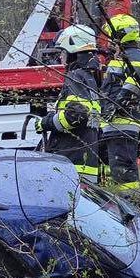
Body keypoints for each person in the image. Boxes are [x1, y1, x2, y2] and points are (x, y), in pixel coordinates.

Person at [35, 24, 101, 183]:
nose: (60, 57)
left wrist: (46, 122)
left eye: (62, 52)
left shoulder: (76, 77)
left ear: (72, 51)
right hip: (85, 164)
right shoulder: (90, 79)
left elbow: (77, 115)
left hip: (70, 165)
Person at [101, 14, 140, 195]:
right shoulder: (124, 56)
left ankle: (130, 204)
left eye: (111, 37)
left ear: (120, 36)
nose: (109, 42)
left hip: (123, 121)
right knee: (117, 166)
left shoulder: (133, 56)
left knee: (123, 168)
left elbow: (135, 83)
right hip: (117, 122)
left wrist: (116, 106)